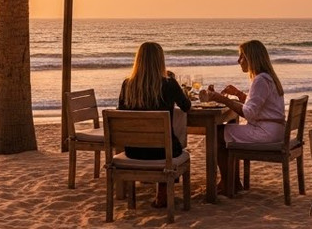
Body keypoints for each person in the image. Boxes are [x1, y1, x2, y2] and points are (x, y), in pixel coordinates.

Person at [202, 40, 285, 193]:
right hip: (275, 130)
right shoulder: (267, 77)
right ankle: (233, 182)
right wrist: (239, 94)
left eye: (241, 57)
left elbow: (248, 112)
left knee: (217, 134)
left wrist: (221, 99)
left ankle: (227, 183)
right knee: (223, 132)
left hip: (266, 133)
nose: (238, 61)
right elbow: (259, 105)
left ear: (251, 58)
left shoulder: (260, 80)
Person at [117, 42, 191, 208]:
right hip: (162, 153)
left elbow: (122, 115)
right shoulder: (169, 84)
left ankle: (149, 185)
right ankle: (163, 191)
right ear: (160, 61)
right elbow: (186, 106)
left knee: (167, 143)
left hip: (133, 151)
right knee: (174, 144)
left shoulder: (127, 85)